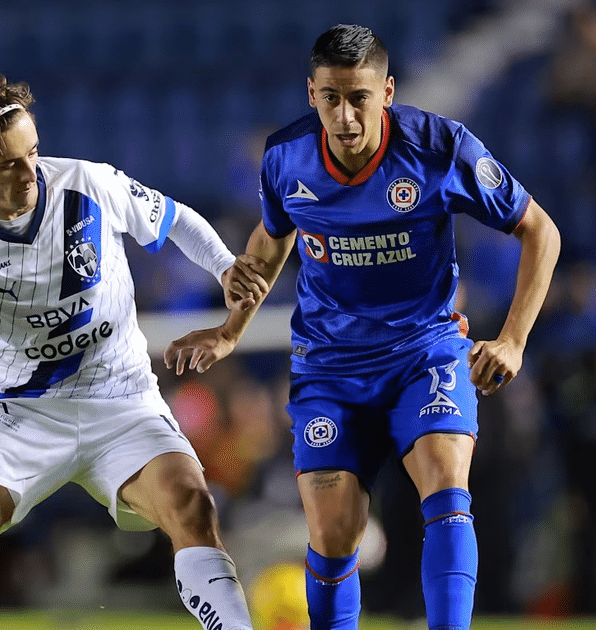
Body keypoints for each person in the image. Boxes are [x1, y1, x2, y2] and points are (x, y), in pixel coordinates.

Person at [165, 25, 561, 630]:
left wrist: (512, 339)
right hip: (330, 365)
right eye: (331, 98)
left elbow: (540, 230)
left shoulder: (439, 147)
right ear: (311, 93)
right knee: (334, 531)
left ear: (388, 92)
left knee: (447, 484)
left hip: (424, 351)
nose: (345, 116)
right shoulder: (286, 158)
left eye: (360, 98)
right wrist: (228, 332)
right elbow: (268, 248)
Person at [0, 76, 268, 630]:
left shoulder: (87, 184)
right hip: (20, 416)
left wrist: (224, 265)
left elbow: (175, 220)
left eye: (33, 152)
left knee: (194, 511)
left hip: (122, 401)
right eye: (10, 164)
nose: (30, 171)